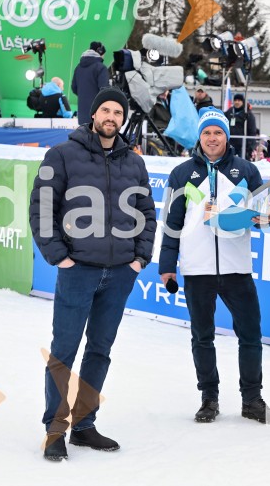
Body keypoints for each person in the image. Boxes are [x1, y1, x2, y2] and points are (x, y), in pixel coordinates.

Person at [29, 87, 157, 461]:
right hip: (78, 271)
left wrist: (139, 260)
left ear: (123, 118)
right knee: (64, 352)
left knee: (100, 351)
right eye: (106, 109)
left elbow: (147, 214)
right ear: (93, 113)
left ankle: (84, 426)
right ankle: (56, 430)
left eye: (118, 112)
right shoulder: (63, 154)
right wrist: (59, 257)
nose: (112, 117)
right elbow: (41, 208)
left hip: (119, 274)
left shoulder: (134, 163)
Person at [158, 106, 270, 426]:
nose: (212, 138)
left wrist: (265, 216)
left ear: (227, 136)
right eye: (207, 132)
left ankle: (252, 399)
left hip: (236, 268)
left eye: (218, 132)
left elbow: (262, 215)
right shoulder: (182, 173)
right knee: (202, 336)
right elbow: (171, 224)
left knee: (250, 334)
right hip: (197, 269)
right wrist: (167, 265)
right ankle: (209, 398)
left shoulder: (246, 171)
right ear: (199, 137)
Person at [71, 41, 109, 125]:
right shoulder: (101, 67)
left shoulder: (78, 67)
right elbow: (105, 89)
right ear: (100, 52)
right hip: (98, 112)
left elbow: (74, 88)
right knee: (97, 137)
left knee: (85, 137)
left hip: (82, 114)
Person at [225, 94, 258, 159]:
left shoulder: (248, 114)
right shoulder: (229, 112)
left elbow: (252, 131)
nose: (237, 102)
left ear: (243, 102)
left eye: (239, 100)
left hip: (243, 145)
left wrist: (250, 146)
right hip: (230, 144)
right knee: (229, 163)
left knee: (242, 164)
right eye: (235, 100)